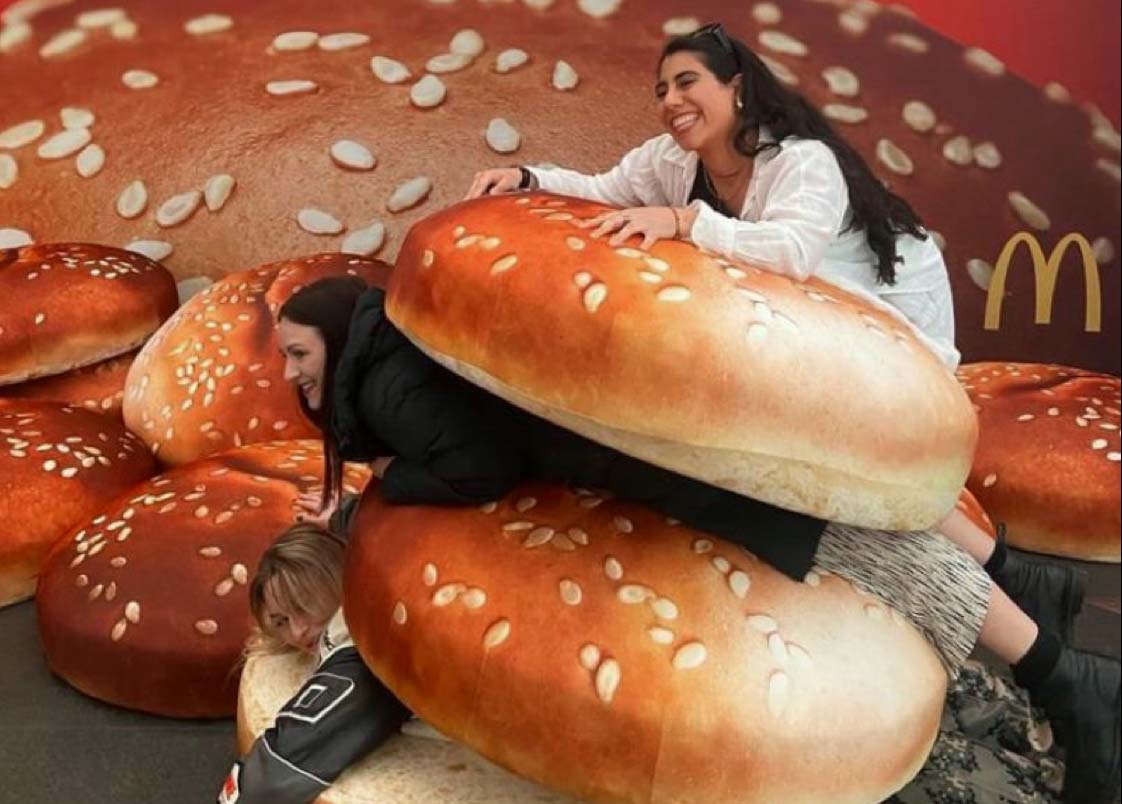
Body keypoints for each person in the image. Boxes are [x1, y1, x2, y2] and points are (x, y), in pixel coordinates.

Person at [279, 276, 1118, 804]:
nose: (290, 374)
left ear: (331, 337)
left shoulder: (385, 385)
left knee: (886, 556)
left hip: (683, 472)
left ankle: (1073, 681)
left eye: (296, 352)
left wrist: (390, 482)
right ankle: (1057, 649)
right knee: (888, 540)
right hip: (677, 453)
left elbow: (476, 464)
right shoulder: (397, 342)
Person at [466, 24, 1088, 677]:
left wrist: (685, 222)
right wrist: (528, 174)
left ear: (737, 88)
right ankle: (1023, 581)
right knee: (857, 470)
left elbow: (790, 252)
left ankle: (1022, 623)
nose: (671, 100)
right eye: (661, 89)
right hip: (820, 324)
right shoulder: (674, 163)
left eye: (687, 82)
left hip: (892, 320)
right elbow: (603, 188)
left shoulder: (801, 161)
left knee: (865, 470)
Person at [217, 523, 411, 804]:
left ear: (336, 575)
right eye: (280, 622)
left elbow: (271, 777)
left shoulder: (361, 661)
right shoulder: (378, 561)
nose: (296, 631)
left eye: (303, 604)